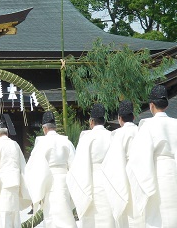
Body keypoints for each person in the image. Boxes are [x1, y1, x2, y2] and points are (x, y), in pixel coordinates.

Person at [126, 85, 177, 227]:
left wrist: (147, 184)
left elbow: (138, 158)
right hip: (174, 171)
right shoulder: (175, 124)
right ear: (167, 105)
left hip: (159, 173)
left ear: (151, 105)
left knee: (159, 215)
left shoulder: (148, 125)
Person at [66, 103, 115, 228]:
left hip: (92, 181)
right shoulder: (112, 136)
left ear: (91, 121)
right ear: (103, 121)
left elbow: (79, 165)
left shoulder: (87, 137)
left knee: (92, 218)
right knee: (109, 217)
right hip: (110, 180)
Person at [25, 111, 77, 228]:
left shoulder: (41, 144)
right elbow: (74, 165)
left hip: (48, 181)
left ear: (44, 128)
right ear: (55, 127)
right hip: (65, 181)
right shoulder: (66, 142)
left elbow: (32, 168)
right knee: (66, 212)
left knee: (51, 216)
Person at [102, 100, 143, 227]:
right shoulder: (141, 131)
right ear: (134, 117)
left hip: (124, 175)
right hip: (141, 176)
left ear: (119, 118)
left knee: (126, 213)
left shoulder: (117, 134)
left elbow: (111, 163)